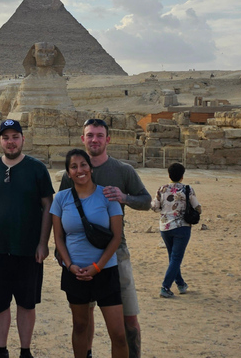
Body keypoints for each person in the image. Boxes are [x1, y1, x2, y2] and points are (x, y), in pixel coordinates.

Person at [59, 118, 151, 358]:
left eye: (100, 135)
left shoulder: (122, 170)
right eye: (90, 135)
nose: (95, 140)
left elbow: (146, 201)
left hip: (116, 254)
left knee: (128, 319)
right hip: (80, 256)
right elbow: (62, 209)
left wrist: (125, 197)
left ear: (108, 139)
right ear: (83, 139)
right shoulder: (72, 173)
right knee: (83, 318)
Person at [0, 119, 53, 358]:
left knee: (26, 303)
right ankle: (1, 349)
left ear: (23, 139)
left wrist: (43, 243)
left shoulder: (37, 169)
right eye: (6, 138)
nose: (11, 142)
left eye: (15, 137)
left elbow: (48, 205)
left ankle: (25, 350)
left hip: (28, 250)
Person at [52, 149, 127, 358]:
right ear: (68, 173)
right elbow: (58, 238)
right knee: (80, 327)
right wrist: (69, 265)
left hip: (105, 270)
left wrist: (97, 267)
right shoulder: (61, 198)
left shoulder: (107, 196)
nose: (80, 170)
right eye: (74, 167)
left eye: (83, 165)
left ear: (91, 168)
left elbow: (116, 237)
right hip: (75, 271)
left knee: (118, 334)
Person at [151, 163, 202, 298]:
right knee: (176, 258)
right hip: (182, 227)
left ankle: (180, 284)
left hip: (165, 228)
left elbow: (154, 207)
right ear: (182, 176)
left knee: (173, 257)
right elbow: (197, 207)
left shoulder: (161, 189)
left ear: (169, 174)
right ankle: (165, 287)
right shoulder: (187, 189)